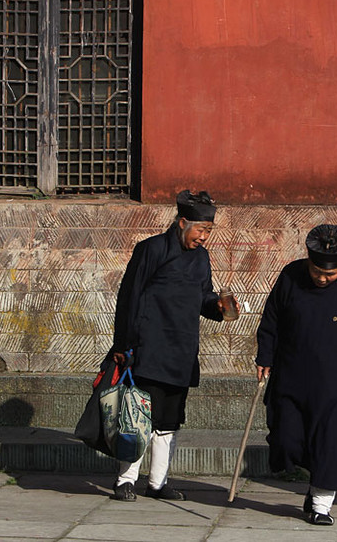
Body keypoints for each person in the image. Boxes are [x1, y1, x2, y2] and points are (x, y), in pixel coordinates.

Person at [107, 189, 238, 502]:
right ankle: (126, 480)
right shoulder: (150, 250)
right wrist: (123, 345)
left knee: (168, 421)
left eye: (209, 231)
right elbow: (129, 298)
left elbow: (203, 296)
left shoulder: (201, 258)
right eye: (202, 230)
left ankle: (158, 483)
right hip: (147, 348)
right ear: (183, 222)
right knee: (138, 417)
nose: (204, 237)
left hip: (181, 350)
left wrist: (217, 308)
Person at [255, 224, 337, 525]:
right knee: (287, 438)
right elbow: (271, 319)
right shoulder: (290, 277)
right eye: (317, 272)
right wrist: (265, 356)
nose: (322, 278)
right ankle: (312, 479)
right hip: (291, 373)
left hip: (334, 381)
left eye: (329, 275)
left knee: (330, 442)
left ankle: (321, 504)